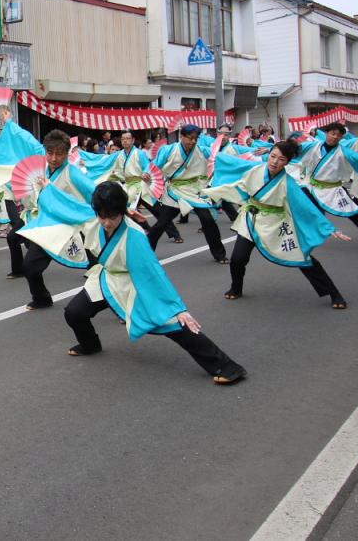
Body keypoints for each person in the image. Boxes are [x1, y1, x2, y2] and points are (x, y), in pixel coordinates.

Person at [57, 182, 247, 385]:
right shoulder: (96, 218)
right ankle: (90, 344)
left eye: (112, 217)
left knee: (171, 322)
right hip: (107, 279)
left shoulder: (134, 237)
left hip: (133, 283)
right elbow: (67, 206)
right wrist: (45, 191)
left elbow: (153, 275)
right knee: (74, 312)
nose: (106, 222)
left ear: (122, 212)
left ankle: (227, 366)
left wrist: (177, 308)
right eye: (102, 216)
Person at [205, 140, 347, 309]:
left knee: (302, 257)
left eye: (280, 159)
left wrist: (328, 228)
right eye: (272, 156)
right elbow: (229, 163)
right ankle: (236, 288)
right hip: (251, 219)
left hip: (276, 224)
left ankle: (334, 293)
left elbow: (305, 207)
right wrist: (211, 157)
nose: (274, 161)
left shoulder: (288, 183)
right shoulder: (254, 170)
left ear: (287, 162)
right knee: (238, 258)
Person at [17, 130, 97, 310]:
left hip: (74, 227)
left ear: (67, 153)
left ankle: (122, 308)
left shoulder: (73, 174)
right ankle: (42, 298)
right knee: (30, 266)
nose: (53, 158)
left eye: (59, 154)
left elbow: (96, 193)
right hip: (49, 227)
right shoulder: (41, 172)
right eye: (50, 153)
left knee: (100, 268)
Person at [296, 122, 358, 249]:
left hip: (333, 189)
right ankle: (304, 239)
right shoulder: (313, 146)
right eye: (333, 134)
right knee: (306, 211)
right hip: (312, 187)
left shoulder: (343, 151)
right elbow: (292, 149)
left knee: (357, 213)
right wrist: (271, 149)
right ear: (326, 133)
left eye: (339, 135)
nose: (335, 137)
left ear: (342, 137)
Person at [0, 104, 45, 278]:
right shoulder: (9, 171)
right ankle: (19, 269)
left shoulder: (34, 161)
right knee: (14, 237)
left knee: (34, 243)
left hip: (39, 211)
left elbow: (28, 142)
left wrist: (9, 122)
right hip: (22, 211)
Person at [147, 124, 228, 263]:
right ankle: (146, 253)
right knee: (162, 223)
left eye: (196, 138)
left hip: (193, 190)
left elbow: (220, 158)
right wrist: (147, 174)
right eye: (190, 138)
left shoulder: (202, 150)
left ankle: (219, 254)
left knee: (207, 220)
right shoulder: (169, 150)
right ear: (182, 136)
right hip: (175, 191)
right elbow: (155, 165)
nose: (193, 141)